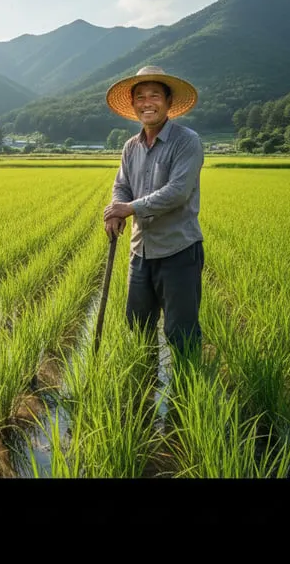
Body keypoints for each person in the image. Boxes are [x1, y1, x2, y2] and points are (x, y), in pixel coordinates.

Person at [102, 64, 205, 366]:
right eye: (141, 97)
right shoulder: (131, 147)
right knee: (138, 326)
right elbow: (121, 185)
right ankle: (143, 391)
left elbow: (178, 191)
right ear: (133, 104)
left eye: (155, 95)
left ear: (169, 101)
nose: (147, 103)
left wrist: (129, 208)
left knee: (180, 332)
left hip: (178, 251)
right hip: (140, 253)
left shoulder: (186, 141)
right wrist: (115, 211)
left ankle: (186, 397)